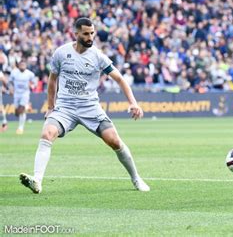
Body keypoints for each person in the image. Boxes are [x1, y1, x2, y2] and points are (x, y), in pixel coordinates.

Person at [19, 17, 150, 194]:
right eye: (86, 34)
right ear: (76, 33)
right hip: (65, 108)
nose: (90, 37)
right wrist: (50, 107)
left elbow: (119, 79)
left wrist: (133, 103)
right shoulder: (61, 53)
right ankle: (37, 181)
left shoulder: (97, 56)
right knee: (47, 133)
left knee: (114, 141)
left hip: (90, 108)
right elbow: (52, 80)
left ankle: (136, 178)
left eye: (92, 33)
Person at [8, 60, 35, 134]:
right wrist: (10, 89)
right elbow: (9, 82)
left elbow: (34, 83)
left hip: (25, 94)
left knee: (21, 110)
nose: (22, 66)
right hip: (16, 94)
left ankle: (20, 128)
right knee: (17, 112)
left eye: (24, 65)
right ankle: (27, 107)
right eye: (21, 65)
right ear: (18, 65)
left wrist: (32, 85)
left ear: (26, 66)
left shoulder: (30, 74)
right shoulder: (14, 73)